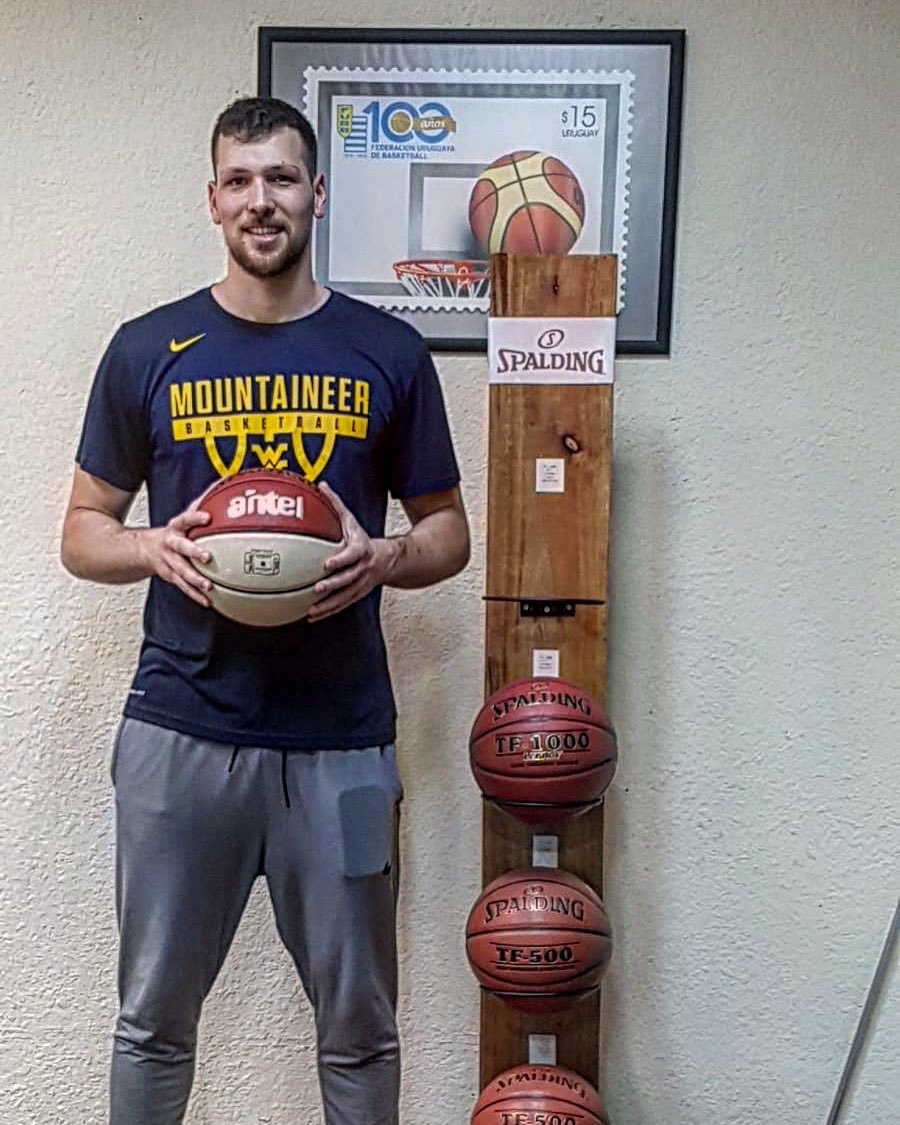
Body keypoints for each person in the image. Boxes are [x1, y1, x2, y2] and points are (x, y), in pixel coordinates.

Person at [60, 96, 470, 1125]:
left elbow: (450, 534)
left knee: (361, 1025)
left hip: (341, 741)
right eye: (240, 181)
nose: (261, 201)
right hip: (180, 728)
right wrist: (148, 545)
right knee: (152, 1019)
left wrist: (384, 557)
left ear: (317, 193)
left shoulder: (389, 352)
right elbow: (82, 531)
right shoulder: (147, 349)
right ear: (212, 200)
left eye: (282, 178)